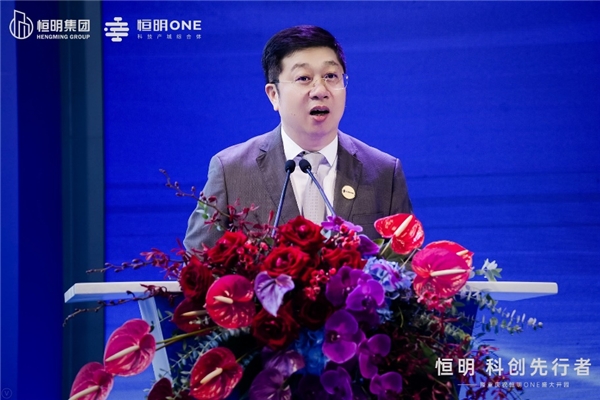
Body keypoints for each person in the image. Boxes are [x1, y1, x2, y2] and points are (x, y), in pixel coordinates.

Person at [184, 25, 412, 250]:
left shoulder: (384, 173)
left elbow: (407, 262)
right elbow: (198, 260)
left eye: (331, 76)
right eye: (303, 78)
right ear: (274, 95)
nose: (320, 90)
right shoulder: (232, 171)